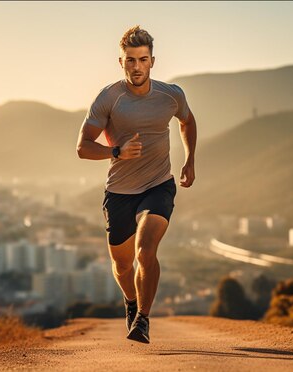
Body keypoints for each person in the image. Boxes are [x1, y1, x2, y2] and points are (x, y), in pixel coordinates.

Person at [76, 25, 197, 344]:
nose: (136, 66)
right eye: (130, 60)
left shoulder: (171, 94)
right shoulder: (109, 98)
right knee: (123, 264)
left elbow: (188, 121)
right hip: (119, 193)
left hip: (159, 185)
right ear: (121, 62)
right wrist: (115, 151)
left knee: (146, 250)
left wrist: (190, 159)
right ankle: (130, 302)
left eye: (142, 59)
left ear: (152, 61)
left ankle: (142, 318)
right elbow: (82, 147)